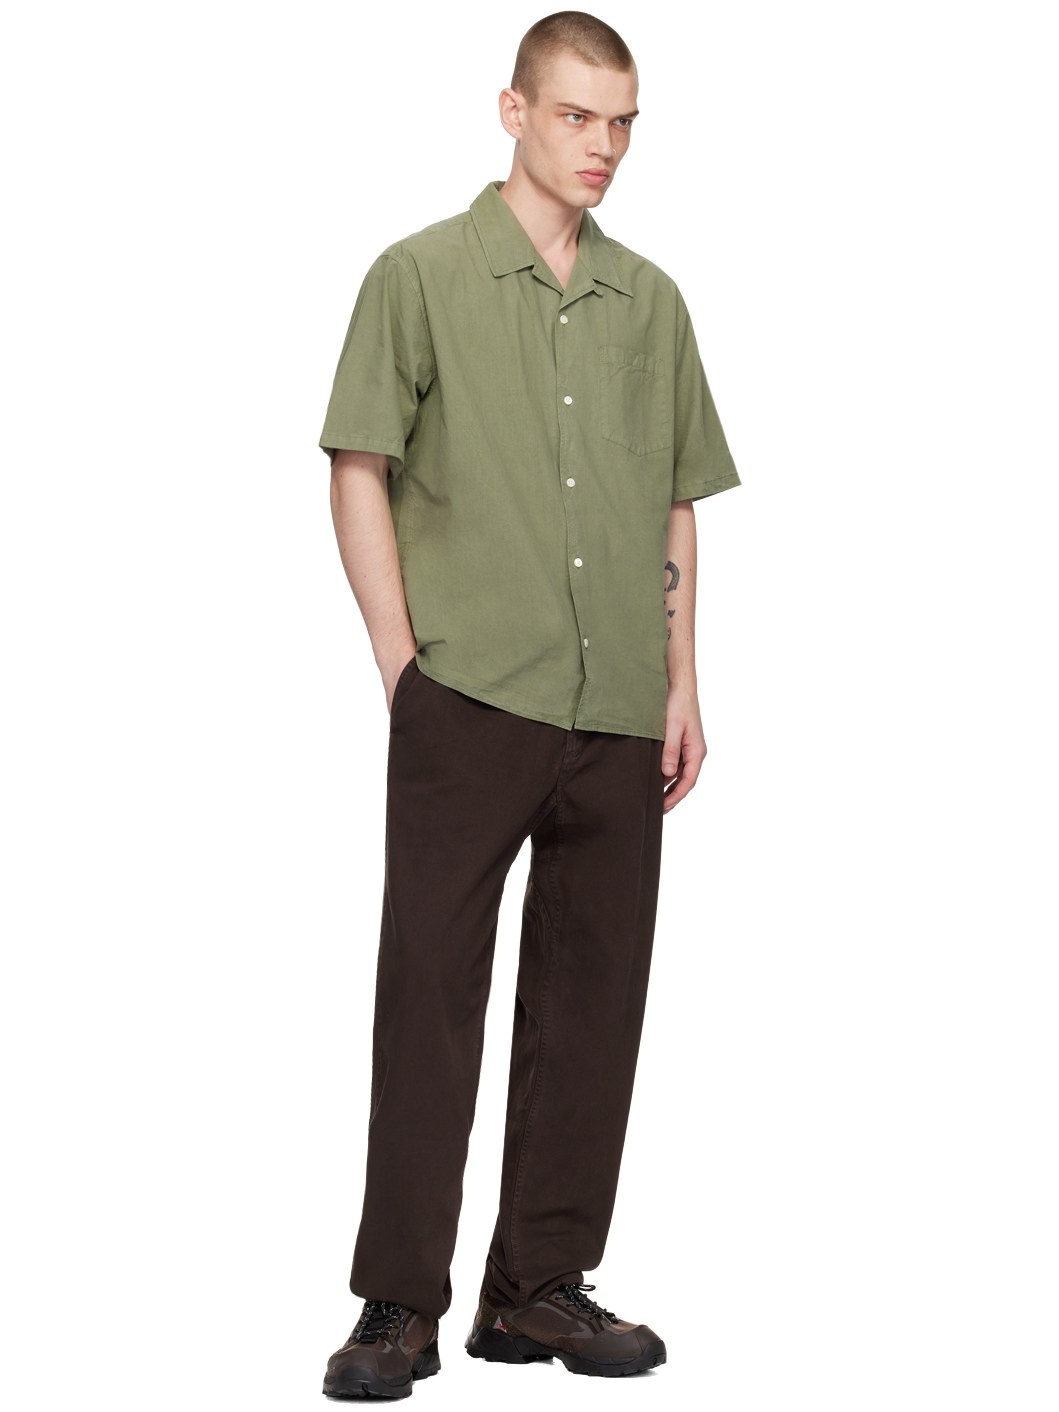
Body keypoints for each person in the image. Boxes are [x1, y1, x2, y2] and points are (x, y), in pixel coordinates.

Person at [316, 9, 740, 1398]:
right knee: (427, 1000)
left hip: (616, 702)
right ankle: (398, 1304)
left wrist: (681, 679)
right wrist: (403, 668)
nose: (602, 145)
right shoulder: (419, 275)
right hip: (469, 696)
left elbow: (674, 501)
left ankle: (537, 1290)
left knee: (594, 1002)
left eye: (622, 122)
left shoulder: (652, 302)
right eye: (575, 115)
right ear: (513, 111)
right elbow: (360, 465)